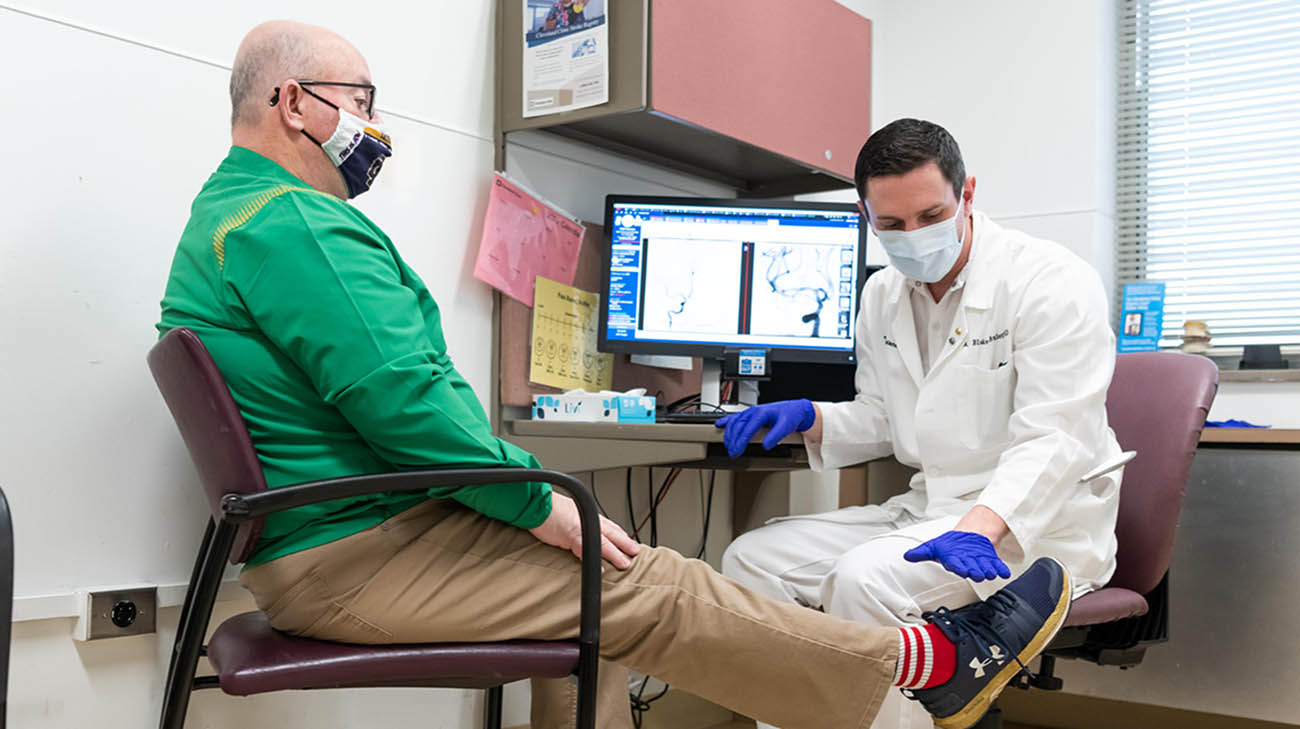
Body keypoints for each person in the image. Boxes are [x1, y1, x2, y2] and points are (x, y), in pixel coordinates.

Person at [157, 26, 1071, 729]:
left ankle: (912, 666)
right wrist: (542, 502)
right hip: (358, 548)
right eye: (359, 99)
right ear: (292, 101)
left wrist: (536, 501)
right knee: (647, 582)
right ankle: (923, 666)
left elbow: (1053, 435)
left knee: (617, 585)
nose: (373, 124)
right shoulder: (296, 221)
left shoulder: (230, 214)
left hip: (346, 534)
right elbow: (405, 402)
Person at [716, 118, 1125, 729]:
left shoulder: (1050, 281)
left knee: (863, 583)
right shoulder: (883, 293)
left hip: (1036, 527)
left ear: (968, 194)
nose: (913, 236)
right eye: (892, 225)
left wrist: (985, 528)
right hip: (931, 510)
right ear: (865, 215)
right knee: (752, 560)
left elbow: (1057, 436)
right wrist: (812, 417)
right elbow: (884, 416)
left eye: (931, 215)